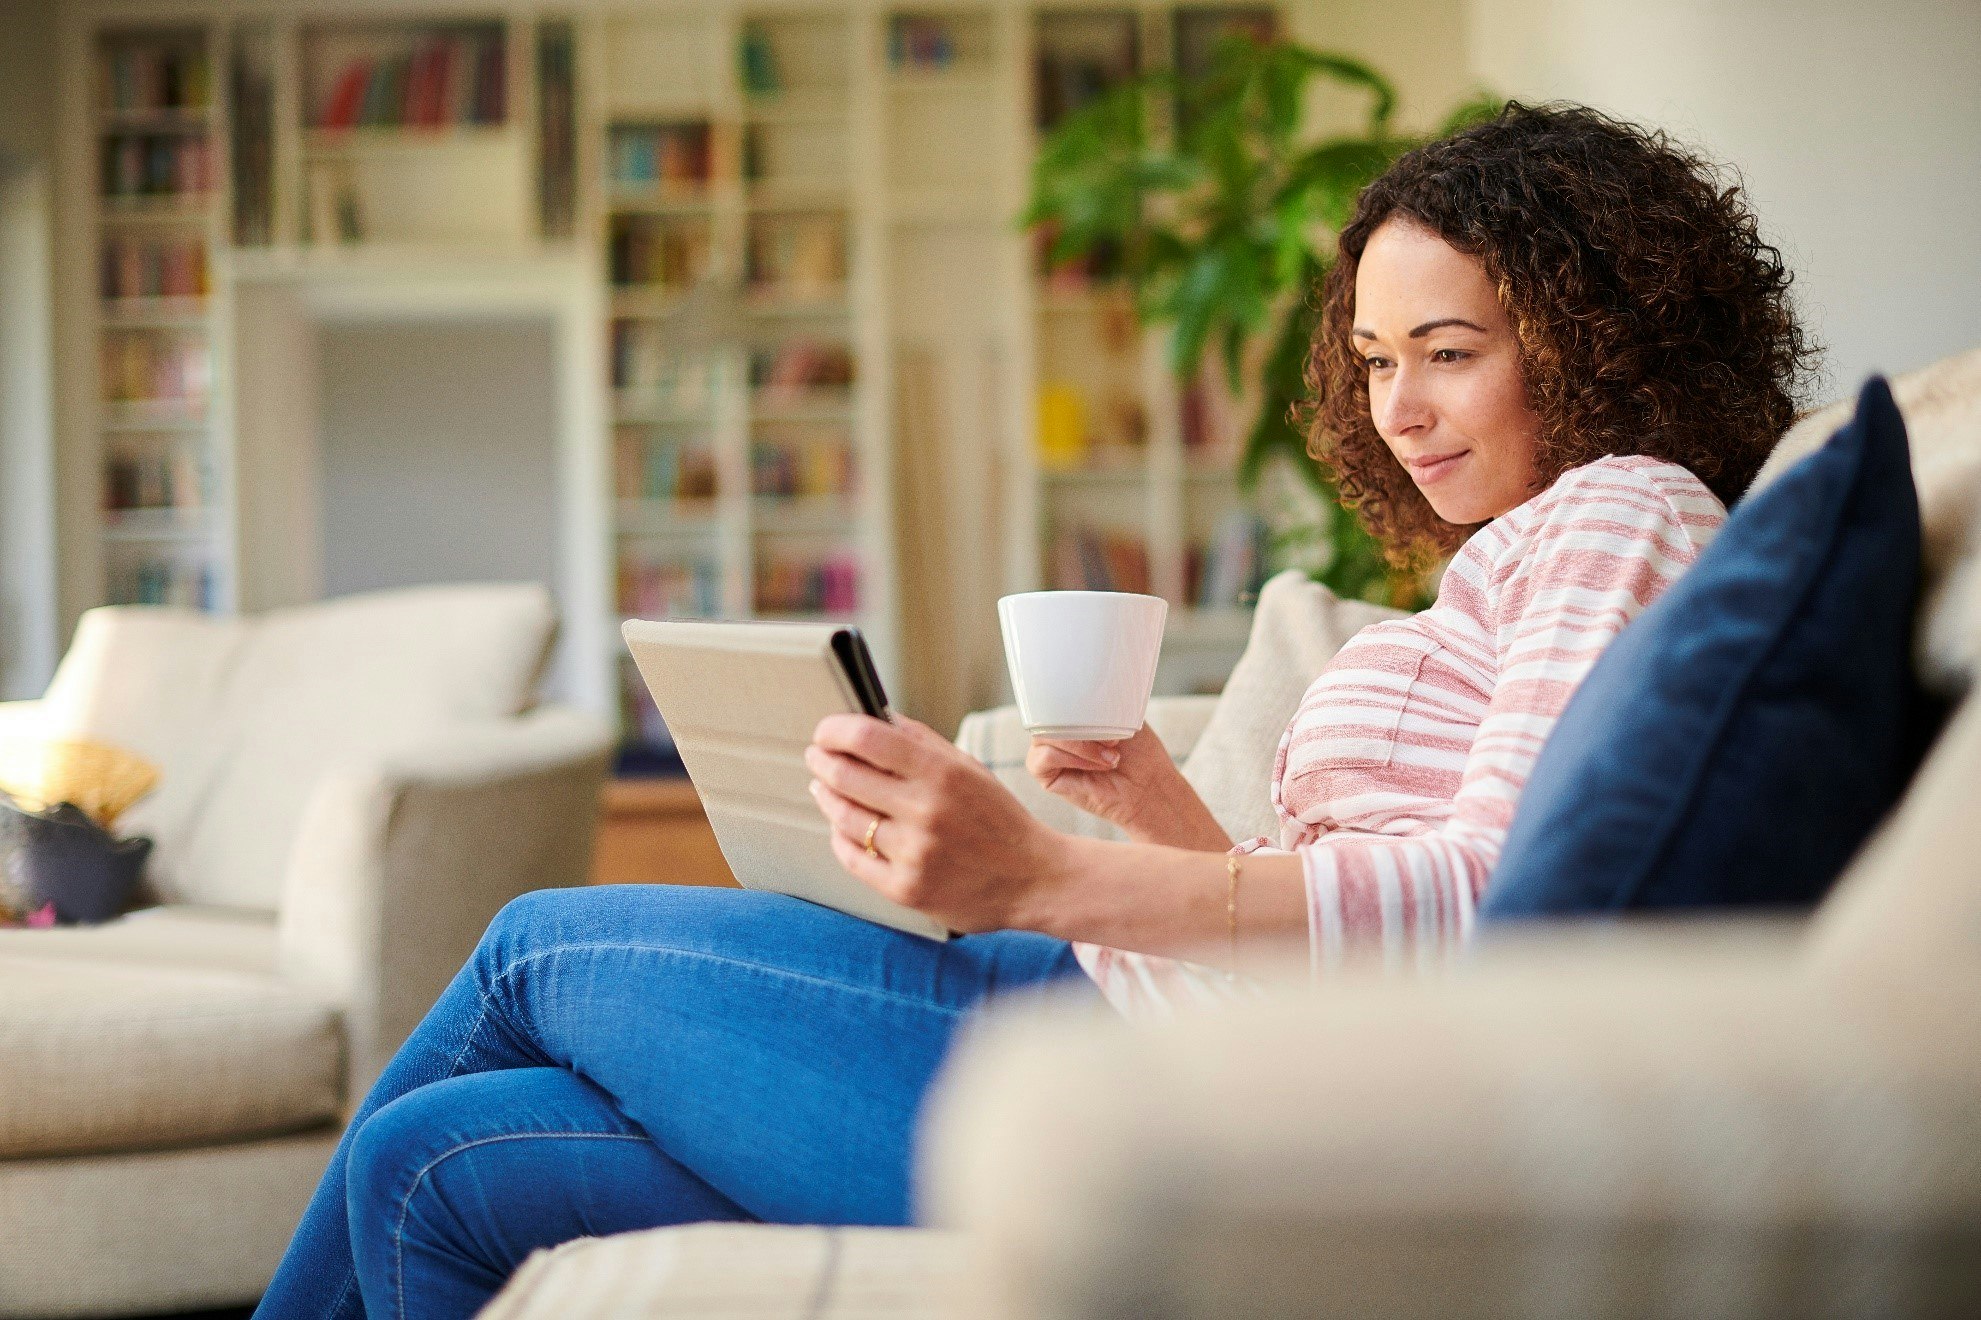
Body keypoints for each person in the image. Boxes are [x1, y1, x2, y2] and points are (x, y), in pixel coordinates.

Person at [254, 102, 1814, 1318]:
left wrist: (1044, 873)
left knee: (537, 943)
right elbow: (1339, 909)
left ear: (1599, 335)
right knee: (425, 1167)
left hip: (1135, 1076)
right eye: (1375, 359)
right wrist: (1148, 805)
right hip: (1142, 1015)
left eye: (1449, 355)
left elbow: (1486, 909)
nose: (1398, 408)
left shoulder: (1621, 510)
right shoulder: (1509, 558)